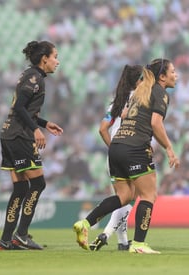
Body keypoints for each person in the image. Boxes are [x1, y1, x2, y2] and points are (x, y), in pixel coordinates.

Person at [73, 58, 180, 254]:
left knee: (124, 196)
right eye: (173, 72)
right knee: (148, 195)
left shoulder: (138, 93)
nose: (176, 75)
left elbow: (110, 125)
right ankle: (138, 243)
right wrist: (169, 148)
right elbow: (156, 123)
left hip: (116, 147)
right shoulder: (158, 92)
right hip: (135, 148)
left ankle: (85, 223)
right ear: (162, 77)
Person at [0, 41, 63, 250]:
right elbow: (19, 107)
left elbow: (24, 109)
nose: (57, 61)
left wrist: (43, 123)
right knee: (38, 184)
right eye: (55, 57)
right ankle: (22, 235)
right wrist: (35, 129)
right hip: (20, 136)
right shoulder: (35, 78)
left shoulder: (31, 75)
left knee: (20, 188)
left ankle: (6, 239)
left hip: (9, 134)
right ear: (44, 58)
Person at [89, 64, 143, 251]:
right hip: (131, 151)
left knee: (121, 197)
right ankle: (106, 234)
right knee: (130, 197)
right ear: (138, 81)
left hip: (114, 154)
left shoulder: (116, 103)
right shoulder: (139, 99)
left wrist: (114, 148)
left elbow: (102, 129)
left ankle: (122, 242)